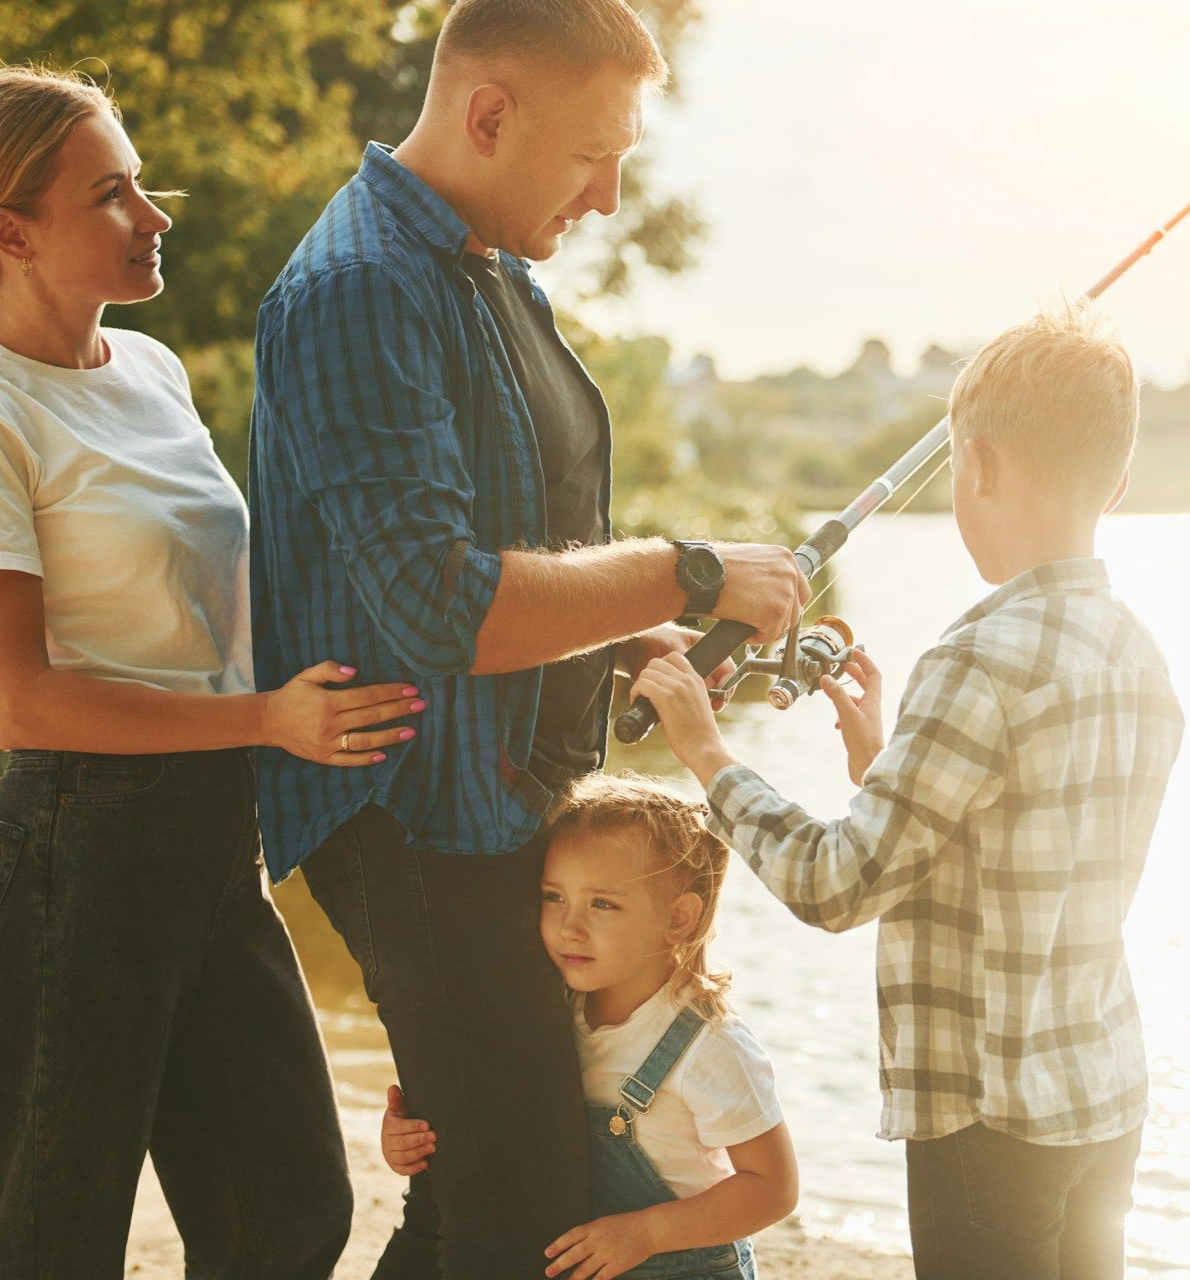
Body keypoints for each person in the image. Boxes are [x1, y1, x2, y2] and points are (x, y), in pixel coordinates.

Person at [249, 1, 808, 1274]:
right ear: (489, 113)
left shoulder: (485, 264)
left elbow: (511, 548)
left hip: (505, 807)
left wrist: (635, 637)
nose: (609, 196)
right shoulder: (355, 291)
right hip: (416, 822)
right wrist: (693, 564)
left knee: (472, 1197)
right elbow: (443, 606)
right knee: (518, 1213)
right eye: (591, 154)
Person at [0, 65, 423, 1279]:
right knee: (45, 1248)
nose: (155, 215)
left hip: (213, 839)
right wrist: (265, 719)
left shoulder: (151, 372)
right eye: (112, 194)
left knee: (288, 1213)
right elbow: (14, 701)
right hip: (71, 866)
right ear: (11, 232)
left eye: (143, 183)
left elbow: (238, 604)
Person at [629, 305, 1186, 1280]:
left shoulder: (976, 654)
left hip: (985, 1112)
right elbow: (1020, 841)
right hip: (1100, 1095)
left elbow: (836, 886)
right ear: (1119, 481)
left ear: (973, 467)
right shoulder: (1138, 650)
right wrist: (882, 760)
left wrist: (707, 750)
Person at [380, 772, 799, 1280]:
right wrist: (412, 1135)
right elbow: (490, 1109)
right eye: (554, 896)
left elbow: (772, 1189)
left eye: (603, 904)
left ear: (679, 920)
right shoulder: (549, 1008)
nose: (569, 926)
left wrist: (646, 1233)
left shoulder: (710, 1045)